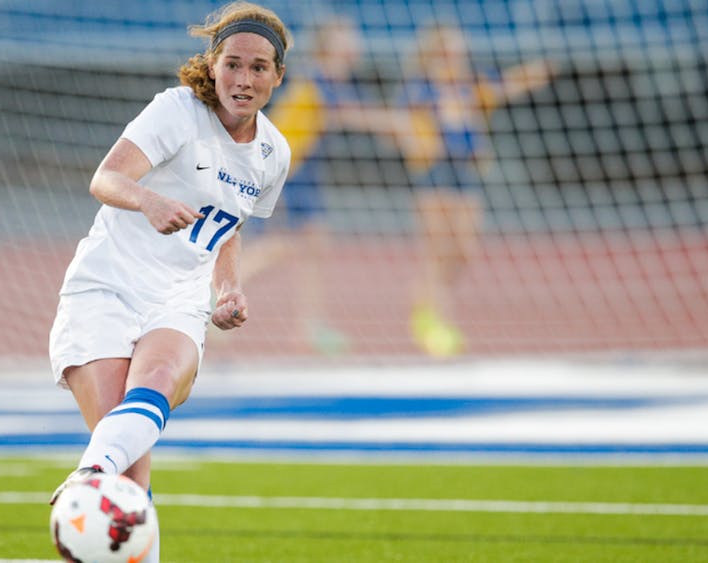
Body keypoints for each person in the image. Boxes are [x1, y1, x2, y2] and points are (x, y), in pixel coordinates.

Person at [47, 2, 292, 561]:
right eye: (233, 63)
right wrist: (149, 200)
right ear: (212, 65)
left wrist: (227, 289)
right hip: (106, 287)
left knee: (153, 384)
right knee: (130, 478)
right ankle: (100, 479)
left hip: (177, 300)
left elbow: (230, 227)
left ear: (277, 76)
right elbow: (106, 178)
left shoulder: (274, 153)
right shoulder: (176, 111)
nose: (244, 79)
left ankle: (86, 477)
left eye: (259, 68)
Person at [395, 23, 553, 357]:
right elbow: (407, 127)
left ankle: (424, 302)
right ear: (436, 53)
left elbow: (506, 85)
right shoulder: (420, 89)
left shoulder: (471, 84)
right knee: (438, 250)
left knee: (463, 251)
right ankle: (438, 324)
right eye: (451, 50)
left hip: (464, 172)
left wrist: (539, 72)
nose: (458, 55)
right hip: (434, 172)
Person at [239, 15, 391, 355]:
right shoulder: (318, 82)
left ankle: (309, 326)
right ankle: (219, 291)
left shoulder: (331, 80)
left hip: (302, 174)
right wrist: (403, 126)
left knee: (313, 247)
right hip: (285, 174)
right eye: (346, 36)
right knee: (289, 247)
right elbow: (357, 115)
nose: (355, 43)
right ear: (330, 46)